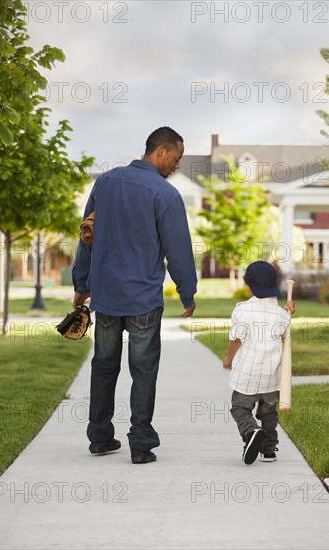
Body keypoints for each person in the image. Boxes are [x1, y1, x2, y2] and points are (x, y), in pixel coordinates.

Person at [72, 127, 197, 464]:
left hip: (107, 297)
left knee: (103, 366)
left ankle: (100, 437)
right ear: (160, 151)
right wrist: (188, 292)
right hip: (143, 299)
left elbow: (87, 233)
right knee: (143, 370)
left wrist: (80, 284)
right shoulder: (165, 195)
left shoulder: (105, 183)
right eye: (176, 157)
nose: (177, 165)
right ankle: (140, 444)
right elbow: (179, 250)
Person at [223, 261, 295, 465]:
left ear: (250, 287)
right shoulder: (282, 315)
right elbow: (281, 324)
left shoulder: (242, 311)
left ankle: (251, 431)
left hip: (247, 375)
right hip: (272, 377)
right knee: (268, 412)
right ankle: (269, 450)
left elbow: (237, 338)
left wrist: (228, 359)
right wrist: (289, 311)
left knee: (240, 408)